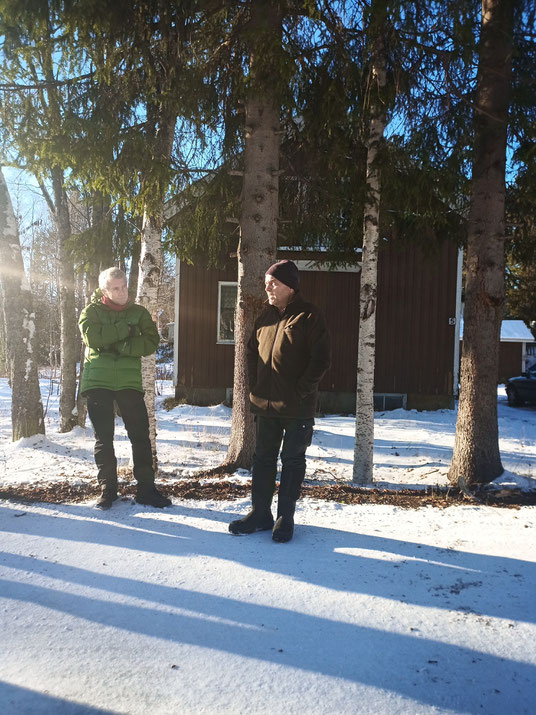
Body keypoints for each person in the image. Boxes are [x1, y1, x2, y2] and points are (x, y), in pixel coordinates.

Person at [229, 259, 330, 542]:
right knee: (262, 459)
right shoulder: (265, 317)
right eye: (266, 283)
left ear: (290, 286)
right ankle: (261, 513)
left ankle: (286, 517)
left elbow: (321, 359)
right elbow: (250, 353)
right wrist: (255, 387)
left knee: (292, 460)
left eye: (273, 283)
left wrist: (301, 391)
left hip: (297, 407)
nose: (268, 288)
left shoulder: (309, 316)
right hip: (265, 405)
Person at [79, 267, 172, 510]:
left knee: (140, 436)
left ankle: (147, 490)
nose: (122, 292)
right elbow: (93, 338)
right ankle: (107, 490)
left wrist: (119, 347)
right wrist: (126, 331)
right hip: (98, 381)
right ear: (104, 290)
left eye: (124, 286)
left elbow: (151, 341)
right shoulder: (91, 311)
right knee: (104, 438)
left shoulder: (139, 313)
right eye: (116, 288)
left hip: (129, 382)